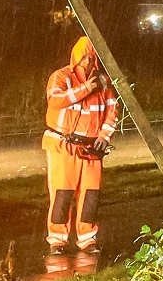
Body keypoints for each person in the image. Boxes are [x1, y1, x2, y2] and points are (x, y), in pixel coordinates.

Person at [42, 35, 118, 254]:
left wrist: (104, 137)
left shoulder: (103, 81)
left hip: (91, 148)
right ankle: (57, 240)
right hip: (63, 146)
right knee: (62, 193)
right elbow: (56, 100)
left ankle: (87, 239)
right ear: (75, 58)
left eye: (92, 57)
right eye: (84, 58)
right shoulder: (60, 76)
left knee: (91, 194)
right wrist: (85, 88)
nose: (88, 62)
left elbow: (112, 111)